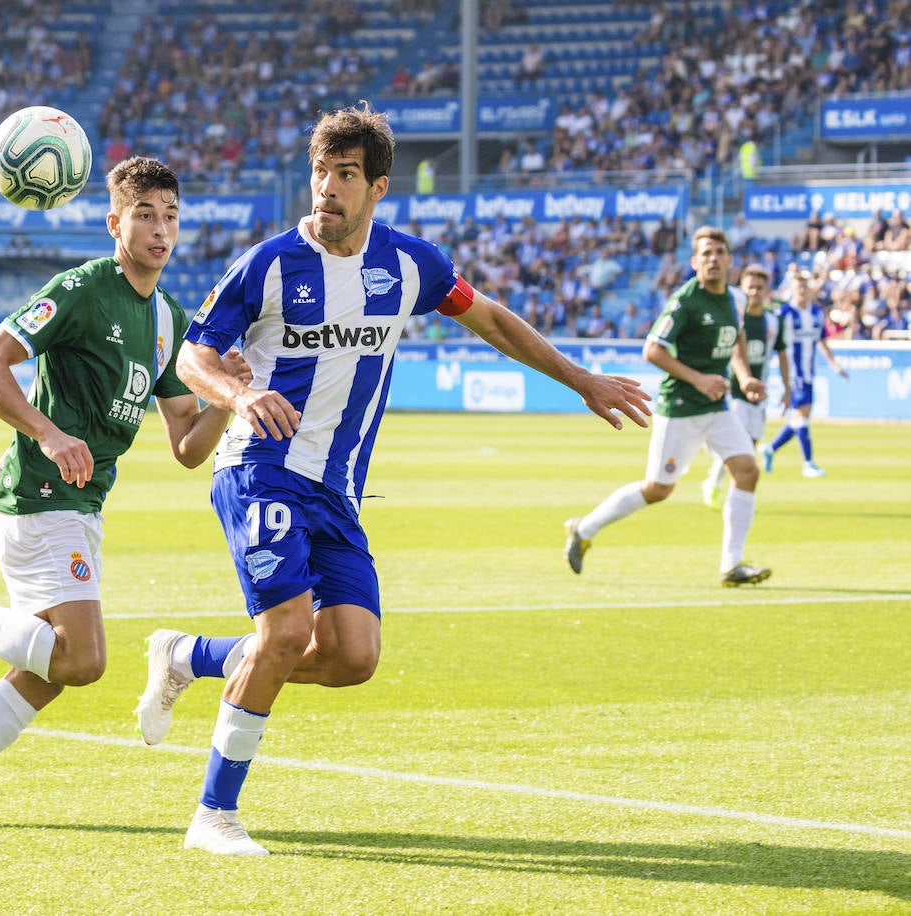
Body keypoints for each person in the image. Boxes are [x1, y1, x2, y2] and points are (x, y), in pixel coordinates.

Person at [132, 103, 651, 857]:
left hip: (335, 489)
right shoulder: (269, 263)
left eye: (346, 175)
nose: (328, 189)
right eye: (320, 172)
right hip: (260, 467)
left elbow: (494, 320)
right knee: (285, 633)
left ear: (377, 188)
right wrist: (241, 396)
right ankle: (214, 815)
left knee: (352, 657)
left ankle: (187, 656)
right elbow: (191, 357)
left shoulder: (412, 264)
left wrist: (578, 379)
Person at [0, 157, 247, 828]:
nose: (161, 230)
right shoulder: (81, 288)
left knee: (48, 674)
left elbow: (187, 446)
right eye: (145, 215)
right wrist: (46, 433)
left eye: (171, 216)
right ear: (114, 223)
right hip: (41, 495)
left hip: (82, 505)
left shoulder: (168, 319)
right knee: (83, 659)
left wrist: (228, 397)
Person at [564, 227, 771, 588]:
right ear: (694, 262)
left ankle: (731, 565)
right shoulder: (686, 300)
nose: (713, 259)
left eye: (719, 252)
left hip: (717, 407)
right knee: (658, 490)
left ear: (729, 260)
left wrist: (745, 375)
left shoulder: (736, 300)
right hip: (680, 408)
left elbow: (736, 336)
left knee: (748, 471)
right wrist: (700, 379)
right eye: (705, 253)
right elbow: (653, 350)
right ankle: (583, 528)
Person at [700, 265, 790, 509]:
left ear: (766, 290)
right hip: (734, 391)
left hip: (759, 392)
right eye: (750, 287)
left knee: (749, 445)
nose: (754, 292)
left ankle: (713, 481)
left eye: (759, 287)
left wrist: (787, 387)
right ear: (742, 288)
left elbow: (782, 353)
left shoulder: (773, 320)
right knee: (739, 445)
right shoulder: (734, 317)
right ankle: (728, 491)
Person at [760, 271, 848, 477]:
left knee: (800, 418)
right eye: (798, 287)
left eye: (804, 287)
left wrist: (834, 365)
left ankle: (770, 448)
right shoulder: (784, 314)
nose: (801, 291)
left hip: (809, 372)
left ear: (810, 290)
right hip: (792, 373)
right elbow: (771, 340)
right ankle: (808, 462)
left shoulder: (817, 313)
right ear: (791, 289)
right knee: (802, 415)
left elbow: (822, 341)